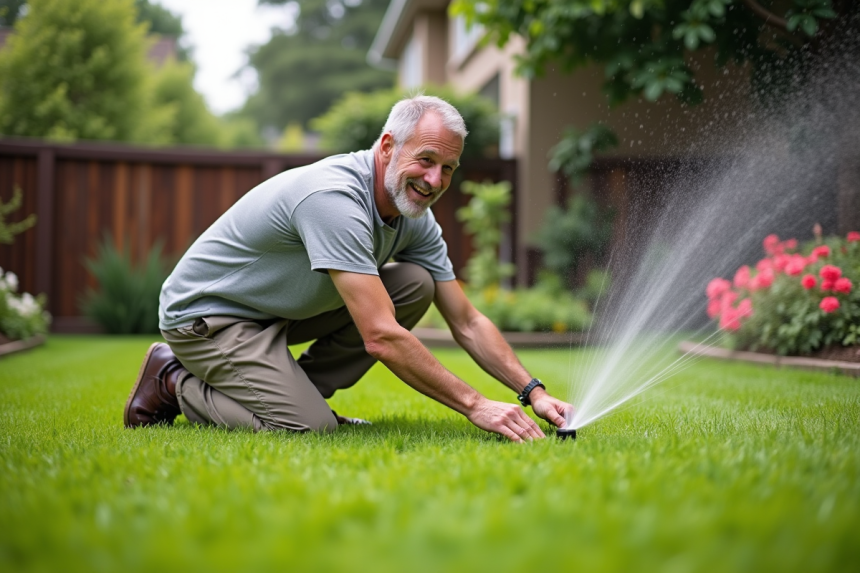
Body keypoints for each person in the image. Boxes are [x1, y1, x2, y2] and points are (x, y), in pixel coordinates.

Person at [124, 95, 574, 442]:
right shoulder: (334, 199)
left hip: (275, 310)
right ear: (387, 146)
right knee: (308, 429)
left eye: (448, 168)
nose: (435, 181)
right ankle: (172, 379)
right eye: (426, 160)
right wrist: (476, 405)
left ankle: (301, 393)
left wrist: (533, 392)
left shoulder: (412, 215)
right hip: (208, 319)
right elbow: (380, 335)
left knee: (415, 284)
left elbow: (468, 320)